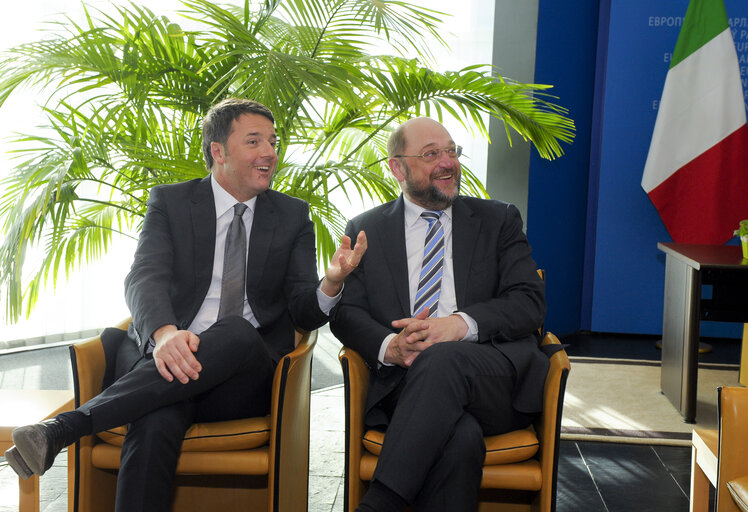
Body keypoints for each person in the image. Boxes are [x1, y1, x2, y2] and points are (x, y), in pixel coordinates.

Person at [4, 98, 366, 512]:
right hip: (168, 360)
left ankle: (66, 428)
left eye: (273, 141)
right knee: (155, 415)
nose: (269, 152)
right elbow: (145, 276)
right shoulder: (171, 203)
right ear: (218, 151)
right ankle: (60, 432)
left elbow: (303, 309)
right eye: (254, 141)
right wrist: (165, 334)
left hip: (241, 376)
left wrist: (332, 281)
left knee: (235, 330)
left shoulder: (292, 215)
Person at [329, 117, 548, 512]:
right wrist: (390, 348)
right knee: (459, 439)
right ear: (398, 167)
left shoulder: (498, 220)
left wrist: (458, 325)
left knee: (442, 356)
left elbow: (529, 301)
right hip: (406, 387)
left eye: (452, 151)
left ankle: (379, 503)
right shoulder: (367, 230)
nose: (448, 162)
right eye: (432, 154)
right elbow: (346, 313)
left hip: (493, 379)